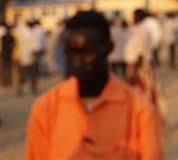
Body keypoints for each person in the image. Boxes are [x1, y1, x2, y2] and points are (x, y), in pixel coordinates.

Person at [26, 11, 164, 160]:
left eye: (88, 53)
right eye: (71, 54)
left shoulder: (139, 111)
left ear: (109, 48)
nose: (78, 63)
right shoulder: (46, 109)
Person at [15, 20, 40, 95]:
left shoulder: (21, 33)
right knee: (33, 74)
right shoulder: (33, 34)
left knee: (22, 74)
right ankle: (33, 89)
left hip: (23, 58)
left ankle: (20, 89)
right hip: (31, 58)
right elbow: (35, 48)